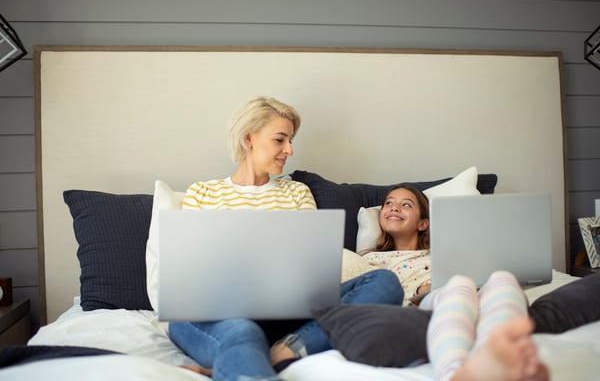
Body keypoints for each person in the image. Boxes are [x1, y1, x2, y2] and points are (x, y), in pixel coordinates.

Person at [168, 96, 404, 381]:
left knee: (383, 282)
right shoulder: (202, 193)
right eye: (280, 140)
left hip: (286, 313)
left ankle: (277, 353)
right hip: (215, 312)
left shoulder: (297, 193)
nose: (289, 150)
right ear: (249, 138)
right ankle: (249, 357)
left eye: (291, 140)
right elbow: (192, 272)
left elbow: (311, 266)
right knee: (242, 331)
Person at [357, 184, 549, 380]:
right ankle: (455, 374)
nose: (394, 207)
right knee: (458, 285)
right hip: (425, 299)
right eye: (388, 203)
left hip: (472, 294)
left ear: (423, 223)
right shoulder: (370, 259)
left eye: (406, 204)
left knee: (504, 279)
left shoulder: (444, 253)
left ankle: (497, 357)